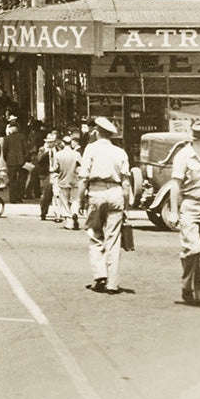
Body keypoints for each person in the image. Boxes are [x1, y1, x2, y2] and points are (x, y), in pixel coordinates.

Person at [78, 117, 131, 295]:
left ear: (96, 132)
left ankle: (100, 274)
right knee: (113, 240)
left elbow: (83, 178)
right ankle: (113, 283)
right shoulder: (120, 152)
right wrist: (126, 206)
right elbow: (126, 183)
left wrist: (80, 199)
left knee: (95, 236)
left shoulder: (90, 149)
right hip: (116, 194)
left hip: (96, 192)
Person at [168, 119, 200, 307]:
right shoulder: (183, 156)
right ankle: (187, 286)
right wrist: (173, 212)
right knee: (193, 249)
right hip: (191, 206)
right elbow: (175, 185)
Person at [54, 135, 83, 230]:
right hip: (74, 180)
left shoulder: (58, 154)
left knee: (64, 202)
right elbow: (81, 166)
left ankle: (69, 221)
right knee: (75, 200)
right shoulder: (76, 154)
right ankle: (74, 212)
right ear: (71, 143)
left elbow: (55, 168)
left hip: (63, 180)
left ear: (62, 143)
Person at [2, 118, 31, 204]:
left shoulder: (6, 138)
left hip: (11, 161)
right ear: (17, 128)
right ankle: (19, 197)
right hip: (21, 161)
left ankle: (12, 198)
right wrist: (25, 158)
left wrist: (7, 159)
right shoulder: (22, 137)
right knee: (21, 180)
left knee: (12, 180)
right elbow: (26, 149)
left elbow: (5, 151)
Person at [33, 132, 58, 221]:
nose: (51, 143)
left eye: (52, 142)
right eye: (49, 142)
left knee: (57, 195)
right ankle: (43, 212)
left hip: (56, 173)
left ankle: (57, 214)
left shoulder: (58, 149)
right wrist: (46, 153)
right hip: (46, 174)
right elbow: (38, 159)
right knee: (45, 195)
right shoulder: (42, 149)